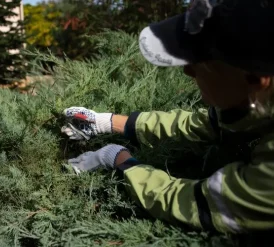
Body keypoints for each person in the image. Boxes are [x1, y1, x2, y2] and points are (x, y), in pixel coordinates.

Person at [61, 0, 274, 234]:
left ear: (255, 79)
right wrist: (108, 122)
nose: (187, 70)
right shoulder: (262, 96)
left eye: (200, 61)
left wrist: (119, 160)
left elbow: (196, 204)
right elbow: (209, 124)